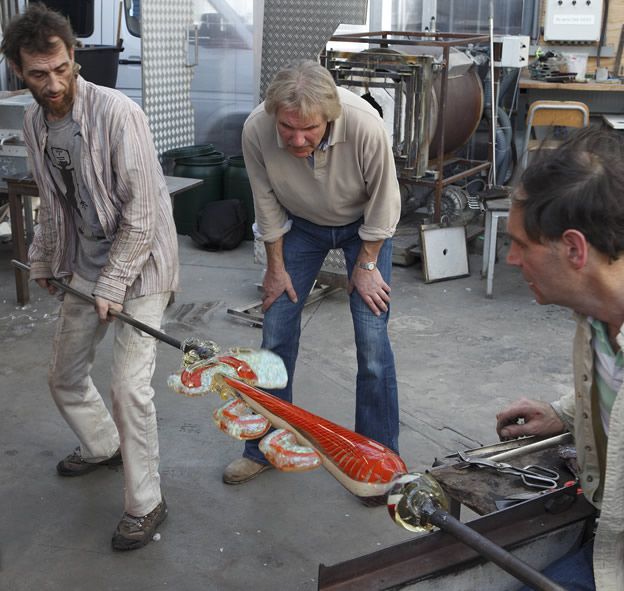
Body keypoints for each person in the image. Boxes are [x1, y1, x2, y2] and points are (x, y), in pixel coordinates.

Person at [1, 4, 178, 550]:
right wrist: (49, 261)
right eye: (37, 74)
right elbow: (53, 204)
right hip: (86, 263)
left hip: (143, 266)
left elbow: (144, 214)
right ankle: (104, 446)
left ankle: (146, 504)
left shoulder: (118, 113)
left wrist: (111, 285)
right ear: (17, 71)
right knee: (65, 377)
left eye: (60, 68)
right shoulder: (35, 122)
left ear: (74, 55)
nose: (52, 84)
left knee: (128, 388)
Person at [223, 59, 401, 487]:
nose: (297, 139)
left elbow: (385, 202)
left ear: (330, 117)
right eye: (288, 128)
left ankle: (377, 459)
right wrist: (275, 268)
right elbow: (266, 204)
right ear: (274, 116)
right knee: (275, 333)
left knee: (372, 341)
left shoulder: (364, 124)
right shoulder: (255, 130)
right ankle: (264, 446)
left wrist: (367, 264)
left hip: (364, 229)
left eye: (310, 129)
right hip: (300, 225)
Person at [495, 127, 624, 590]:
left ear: (574, 249)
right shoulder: (596, 315)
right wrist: (565, 413)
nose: (511, 260)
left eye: (521, 244)